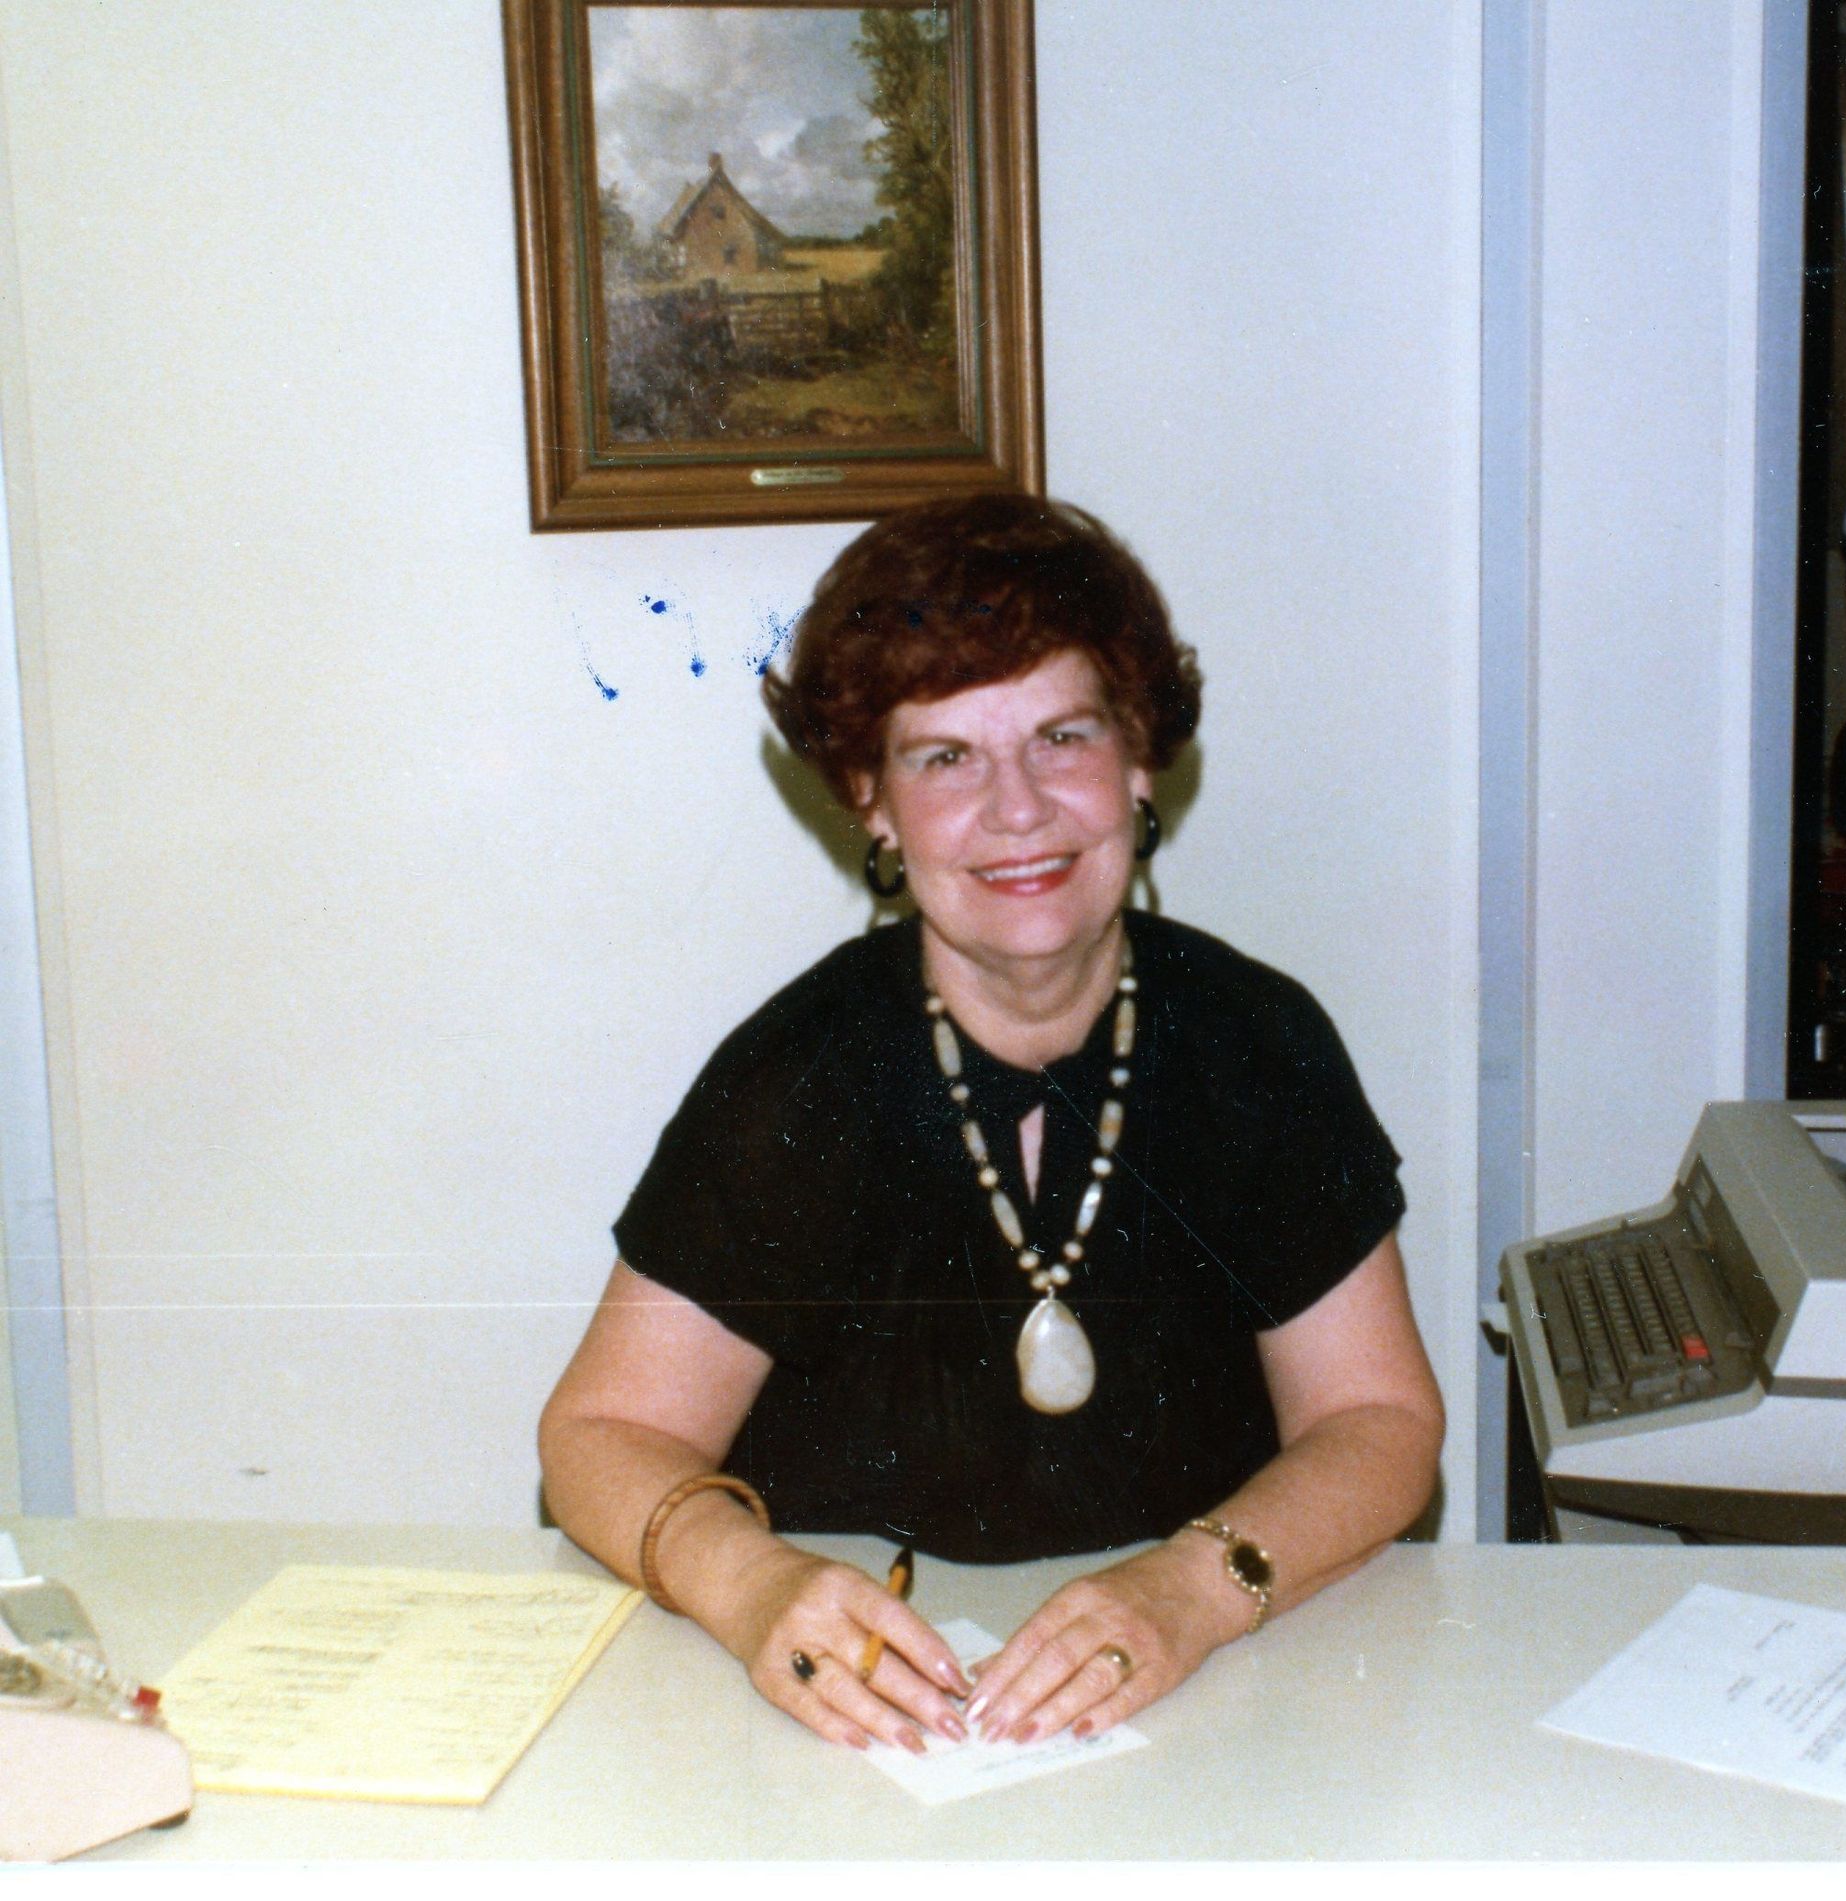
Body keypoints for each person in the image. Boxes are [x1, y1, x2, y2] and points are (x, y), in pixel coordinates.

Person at [538, 493, 1444, 1756]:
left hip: (1217, 1705)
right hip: (864, 1733)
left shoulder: (1261, 1044)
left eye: (1061, 737)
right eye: (945, 757)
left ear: (1138, 758)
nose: (1017, 808)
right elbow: (598, 1434)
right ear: (871, 800)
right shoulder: (795, 1077)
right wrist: (754, 1590)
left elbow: (1381, 1422)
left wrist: (1190, 1592)